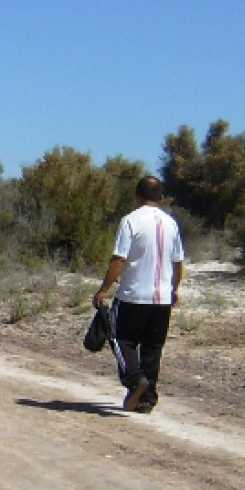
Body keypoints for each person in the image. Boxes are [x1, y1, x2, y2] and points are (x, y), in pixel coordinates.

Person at [93, 176, 185, 413]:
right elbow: (178, 261)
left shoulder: (130, 221)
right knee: (153, 348)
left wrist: (104, 289)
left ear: (137, 195)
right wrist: (175, 288)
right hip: (161, 298)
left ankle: (135, 380)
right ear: (161, 198)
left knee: (120, 339)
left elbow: (119, 259)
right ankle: (147, 399)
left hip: (132, 296)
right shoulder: (171, 223)